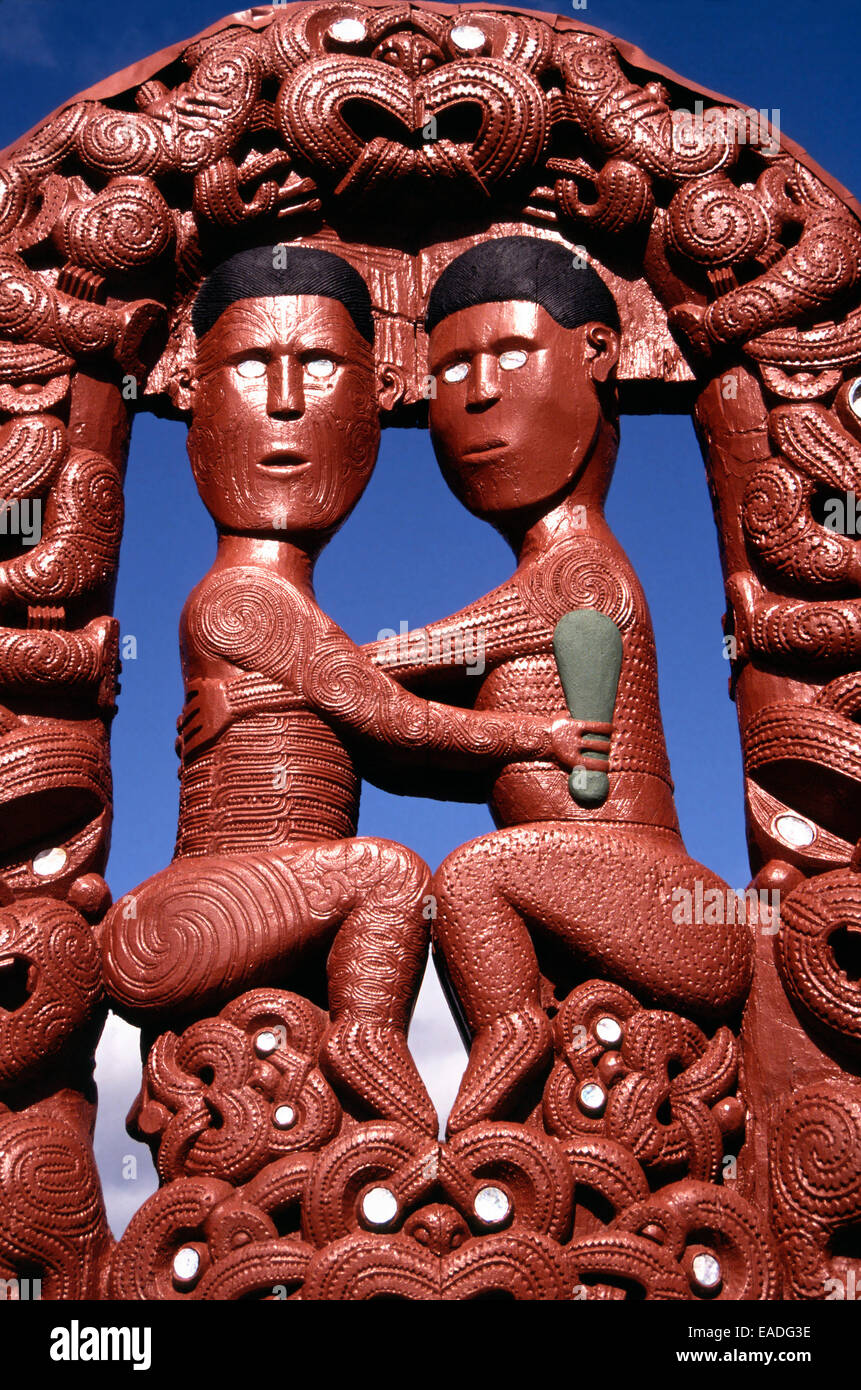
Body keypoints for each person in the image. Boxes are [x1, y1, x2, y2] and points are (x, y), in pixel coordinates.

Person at [101, 243, 581, 1133]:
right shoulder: (246, 600)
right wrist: (535, 739)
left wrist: (280, 697)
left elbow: (379, 730)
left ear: (374, 400)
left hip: (241, 910)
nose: (286, 403)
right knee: (390, 873)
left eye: (319, 365)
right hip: (185, 923)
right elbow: (390, 717)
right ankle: (386, 1093)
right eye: (251, 366)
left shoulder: (290, 623)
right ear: (192, 398)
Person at [365, 236, 753, 1132]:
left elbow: (377, 675)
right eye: (450, 371)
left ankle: (483, 1099)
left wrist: (264, 670)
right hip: (593, 894)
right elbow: (415, 737)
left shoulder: (575, 578)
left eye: (509, 353)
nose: (478, 394)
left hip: (661, 906)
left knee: (469, 879)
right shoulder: (547, 579)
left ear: (597, 355)